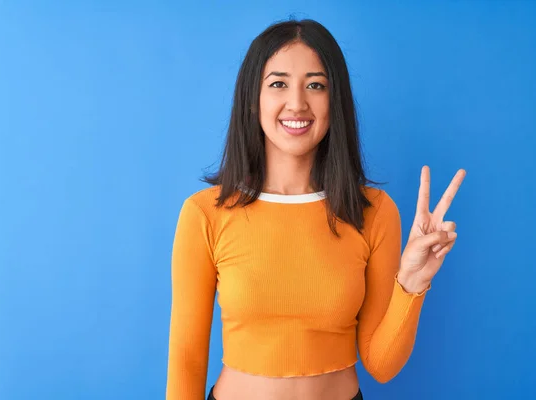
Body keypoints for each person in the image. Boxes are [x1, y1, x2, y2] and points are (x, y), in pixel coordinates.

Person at [165, 18, 466, 400]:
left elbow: (382, 365)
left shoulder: (374, 212)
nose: (297, 103)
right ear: (252, 98)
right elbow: (187, 360)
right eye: (278, 84)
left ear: (333, 100)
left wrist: (412, 283)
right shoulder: (205, 213)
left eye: (315, 85)